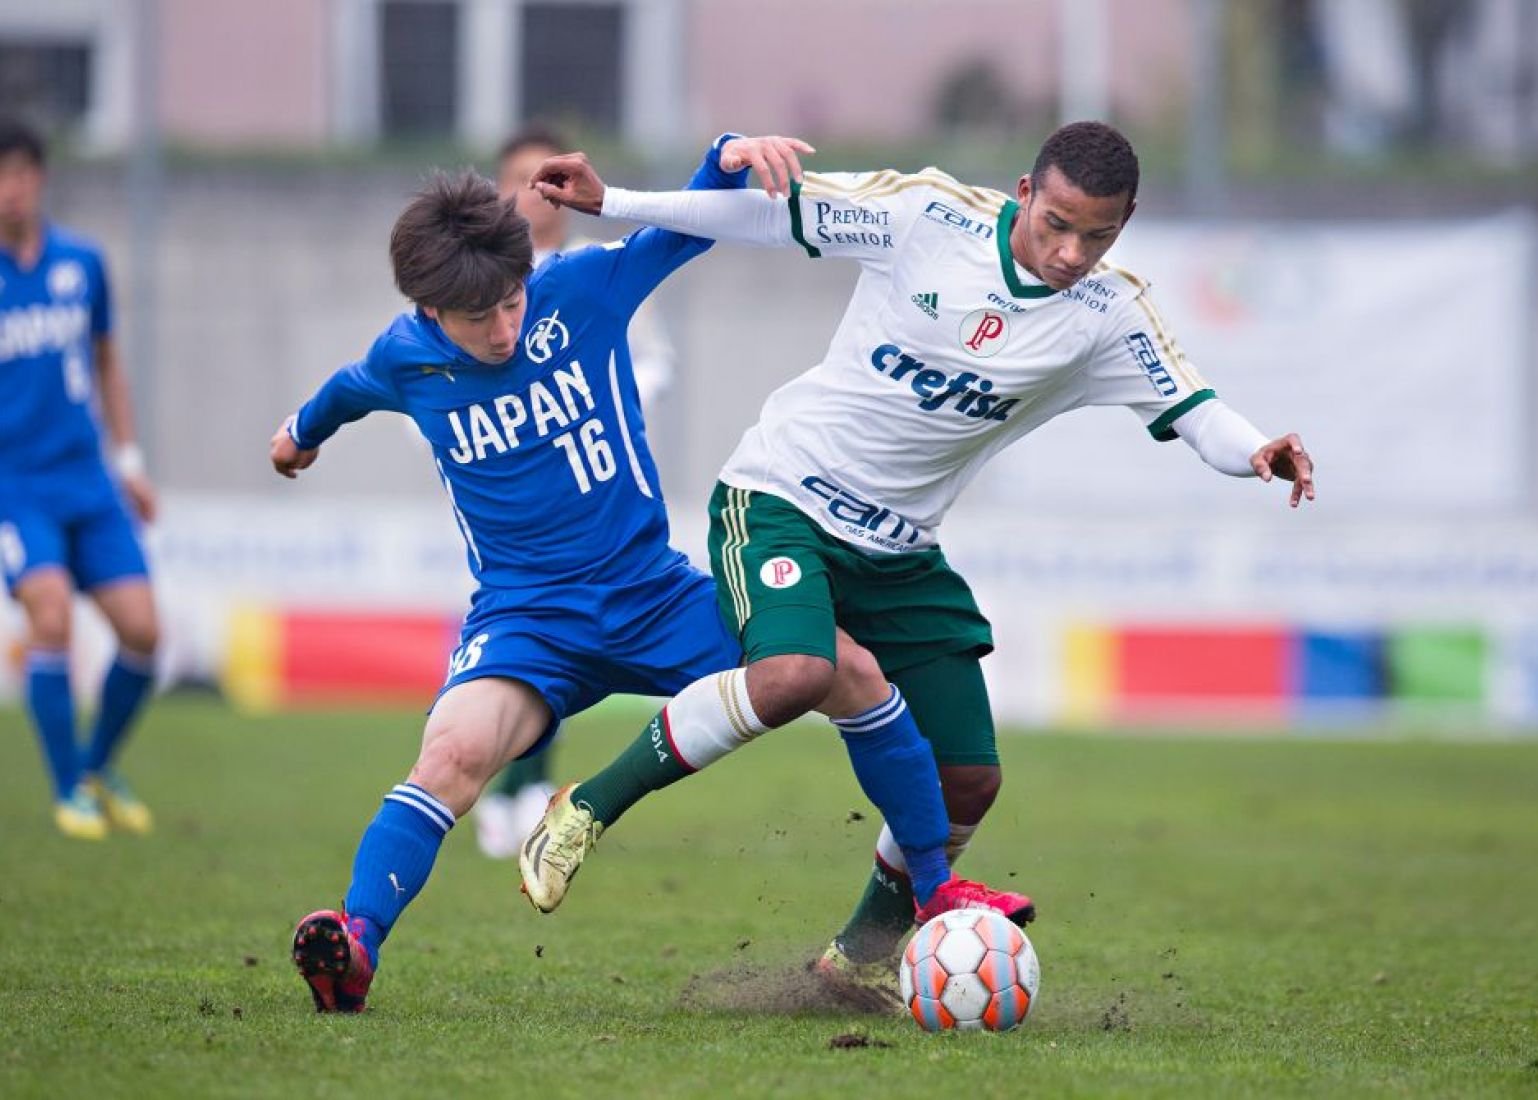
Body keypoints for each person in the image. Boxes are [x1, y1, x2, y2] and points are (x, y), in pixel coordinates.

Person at [519, 120, 1316, 1004]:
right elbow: (761, 214)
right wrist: (615, 202)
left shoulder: (1110, 315)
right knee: (791, 676)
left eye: (1098, 235)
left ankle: (859, 956)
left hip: (900, 552)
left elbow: (1193, 407)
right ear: (1023, 192)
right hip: (781, 500)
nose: (1070, 251)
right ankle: (585, 807)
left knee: (970, 777)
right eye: (1056, 223)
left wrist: (1255, 452)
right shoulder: (927, 218)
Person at [271, 134, 1024, 1014]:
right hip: (527, 624)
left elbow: (685, 233)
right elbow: (348, 389)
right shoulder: (405, 357)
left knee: (849, 670)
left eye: (513, 302)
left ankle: (934, 891)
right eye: (480, 319)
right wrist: (299, 435)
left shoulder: (580, 289)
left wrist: (723, 157)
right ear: (430, 311)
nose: (505, 327)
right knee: (450, 756)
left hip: (654, 595)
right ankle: (355, 947)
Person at [473, 123, 682, 860]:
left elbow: (655, 361)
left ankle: (526, 789)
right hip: (511, 503)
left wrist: (615, 400)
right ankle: (505, 788)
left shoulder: (597, 269)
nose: (534, 193)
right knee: (522, 640)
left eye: (545, 177)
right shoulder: (472, 281)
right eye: (517, 179)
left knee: (566, 640)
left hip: (596, 488)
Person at [0, 116, 161, 841]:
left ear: (40, 178)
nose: (11, 190)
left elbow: (107, 361)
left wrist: (128, 462)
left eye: (21, 173)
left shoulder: (82, 263)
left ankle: (95, 766)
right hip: (15, 485)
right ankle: (68, 790)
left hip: (87, 479)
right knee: (52, 617)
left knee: (144, 632)